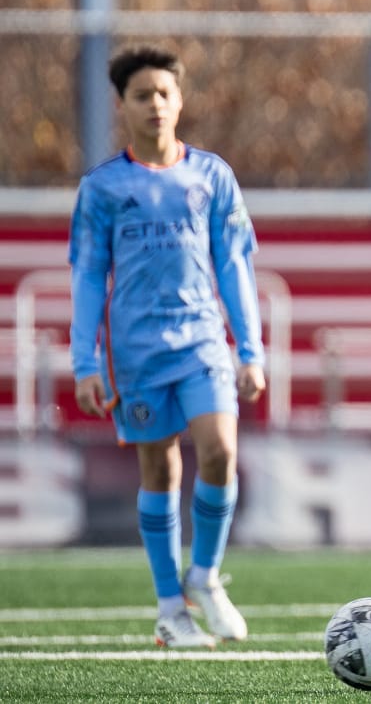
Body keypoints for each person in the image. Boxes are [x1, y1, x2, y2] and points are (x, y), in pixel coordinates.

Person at [69, 45, 266, 649]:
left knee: (220, 453)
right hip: (136, 353)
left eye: (163, 93)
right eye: (141, 95)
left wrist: (251, 349)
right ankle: (168, 607)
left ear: (179, 101)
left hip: (202, 342)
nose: (154, 104)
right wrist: (86, 363)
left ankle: (204, 577)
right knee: (160, 468)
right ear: (123, 106)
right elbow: (86, 275)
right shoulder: (103, 189)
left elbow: (234, 265)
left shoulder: (212, 176)